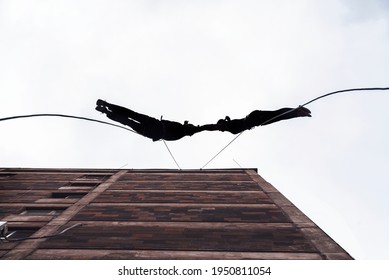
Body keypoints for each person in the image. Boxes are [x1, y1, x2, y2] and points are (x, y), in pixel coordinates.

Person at [95, 99, 213, 141]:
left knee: (132, 115)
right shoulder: (181, 131)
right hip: (152, 131)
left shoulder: (184, 131)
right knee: (129, 121)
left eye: (191, 126)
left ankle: (107, 106)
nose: (190, 125)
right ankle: (106, 109)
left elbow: (202, 128)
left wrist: (216, 126)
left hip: (155, 126)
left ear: (190, 130)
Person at [216, 106, 312, 134]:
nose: (221, 130)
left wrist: (200, 129)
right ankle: (298, 112)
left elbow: (209, 127)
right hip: (257, 121)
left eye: (220, 128)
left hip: (254, 118)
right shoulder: (230, 126)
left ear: (222, 124)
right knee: (278, 116)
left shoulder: (230, 126)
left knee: (277, 114)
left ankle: (297, 111)